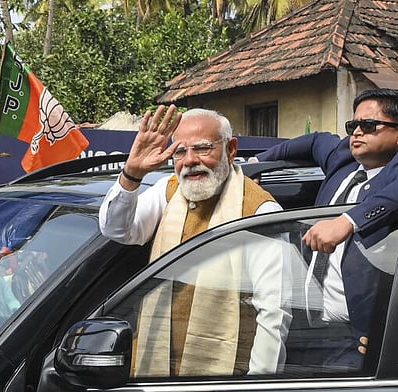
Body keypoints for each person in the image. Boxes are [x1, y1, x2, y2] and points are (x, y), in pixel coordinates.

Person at [99, 106, 290, 377]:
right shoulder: (168, 192)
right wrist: (132, 173)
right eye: (179, 151)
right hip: (155, 371)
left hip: (222, 382)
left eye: (202, 148)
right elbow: (117, 230)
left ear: (231, 149)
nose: (189, 160)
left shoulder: (259, 210)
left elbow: (274, 312)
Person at [255, 88, 398, 366]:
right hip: (302, 332)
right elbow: (314, 141)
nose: (357, 132)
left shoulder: (393, 175)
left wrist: (348, 221)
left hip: (356, 340)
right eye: (353, 125)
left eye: (368, 125)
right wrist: (255, 163)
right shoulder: (343, 158)